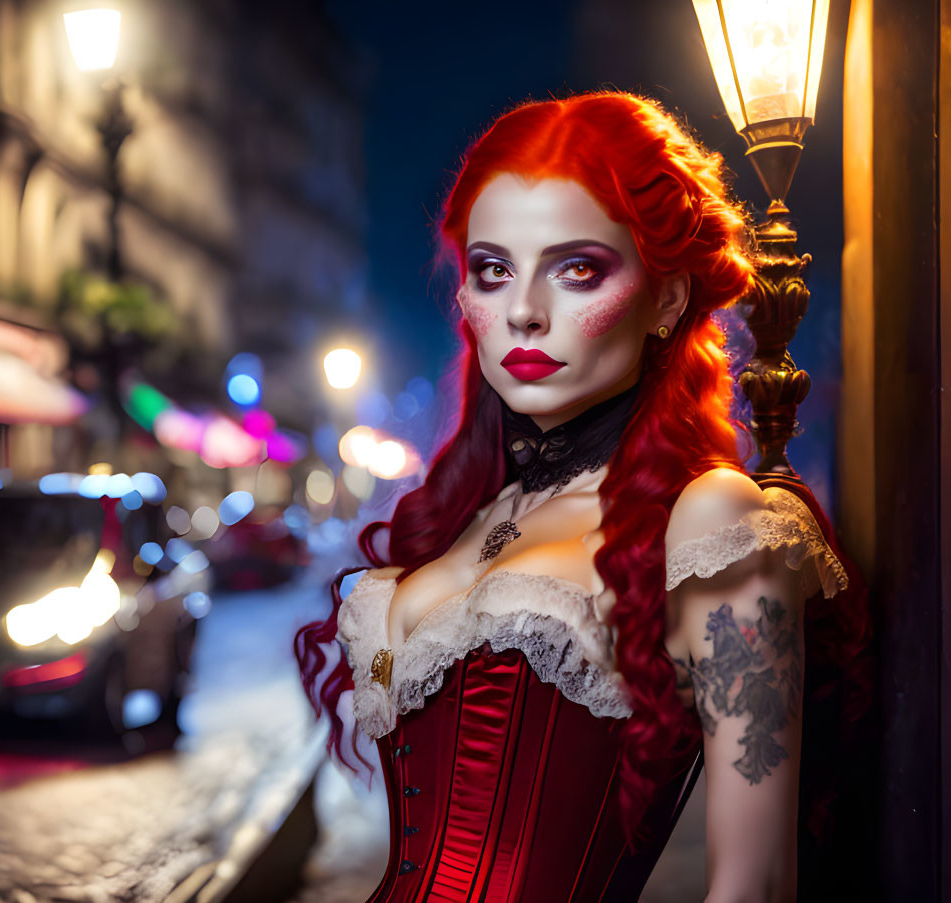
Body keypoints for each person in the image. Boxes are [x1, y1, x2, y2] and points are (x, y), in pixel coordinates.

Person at [295, 90, 867, 903]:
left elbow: (756, 882)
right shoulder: (475, 516)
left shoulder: (712, 521)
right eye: (492, 271)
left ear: (666, 297)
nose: (523, 311)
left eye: (575, 269)